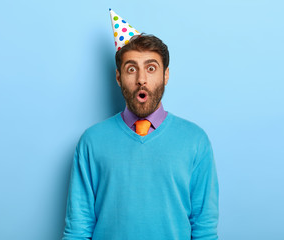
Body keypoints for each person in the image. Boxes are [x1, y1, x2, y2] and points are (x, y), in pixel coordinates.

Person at [62, 10, 219, 240]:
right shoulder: (92, 142)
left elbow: (204, 230)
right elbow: (77, 229)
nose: (141, 79)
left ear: (166, 76)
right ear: (118, 77)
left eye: (151, 68)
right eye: (131, 69)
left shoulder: (195, 141)